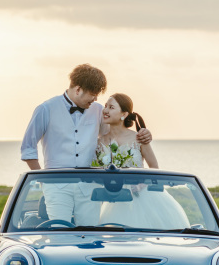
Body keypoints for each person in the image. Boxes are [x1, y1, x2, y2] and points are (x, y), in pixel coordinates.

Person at [20, 65, 151, 224]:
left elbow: (114, 137)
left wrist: (142, 134)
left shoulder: (98, 111)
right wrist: (44, 180)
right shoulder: (45, 109)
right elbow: (28, 148)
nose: (95, 99)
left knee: (91, 232)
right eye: (93, 95)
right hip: (56, 186)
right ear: (78, 90)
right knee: (59, 231)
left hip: (90, 187)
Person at [95, 93, 190, 229]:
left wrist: (141, 183)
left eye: (111, 107)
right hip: (113, 200)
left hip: (142, 197)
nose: (105, 110)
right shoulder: (100, 142)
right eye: (105, 106)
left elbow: (154, 167)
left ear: (124, 114)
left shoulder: (139, 138)